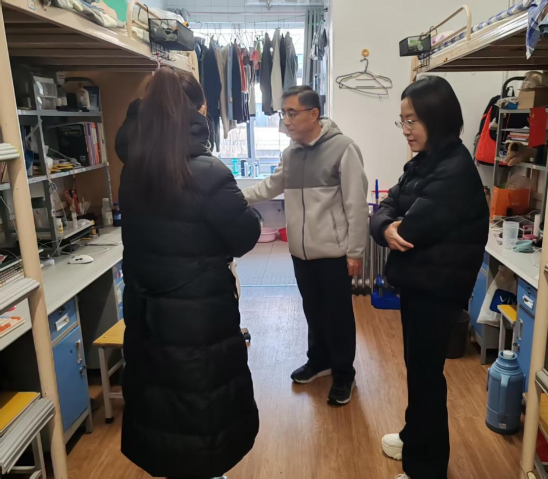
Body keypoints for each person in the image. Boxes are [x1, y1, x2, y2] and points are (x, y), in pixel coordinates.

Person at [115, 66, 261, 479]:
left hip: (148, 312)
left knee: (161, 400)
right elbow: (244, 236)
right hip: (197, 314)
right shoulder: (207, 171)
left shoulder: (132, 168)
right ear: (199, 109)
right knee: (200, 400)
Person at [370, 77, 489, 479]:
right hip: (421, 284)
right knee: (418, 370)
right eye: (402, 120)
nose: (406, 129)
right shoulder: (426, 160)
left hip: (437, 291)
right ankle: (414, 436)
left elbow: (410, 229)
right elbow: (387, 205)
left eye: (413, 120)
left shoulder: (453, 170)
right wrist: (385, 225)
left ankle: (426, 468)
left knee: (426, 378)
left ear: (438, 118)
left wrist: (390, 226)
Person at [242, 85, 369, 406]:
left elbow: (356, 205)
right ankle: (319, 361)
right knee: (313, 310)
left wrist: (355, 252)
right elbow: (271, 185)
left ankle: (344, 374)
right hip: (300, 252)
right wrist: (234, 196)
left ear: (314, 114)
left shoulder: (343, 148)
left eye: (292, 113)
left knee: (338, 316)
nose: (286, 120)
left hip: (334, 253)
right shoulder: (291, 153)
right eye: (283, 113)